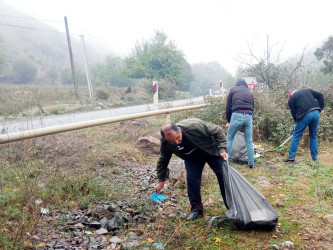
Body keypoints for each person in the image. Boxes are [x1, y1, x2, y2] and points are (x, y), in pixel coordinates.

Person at [154, 118, 229, 221]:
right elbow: (163, 159)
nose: (176, 142)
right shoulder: (165, 142)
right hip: (192, 157)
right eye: (172, 141)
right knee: (192, 181)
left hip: (211, 150)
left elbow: (219, 131)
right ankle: (196, 210)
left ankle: (231, 205)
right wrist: (161, 180)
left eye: (178, 138)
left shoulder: (194, 126)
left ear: (179, 130)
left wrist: (221, 149)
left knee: (224, 176)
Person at [284, 89, 324, 162]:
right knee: (313, 136)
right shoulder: (307, 90)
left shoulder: (291, 99)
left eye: (287, 96)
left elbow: (294, 114)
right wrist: (322, 108)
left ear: (290, 92)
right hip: (316, 112)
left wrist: (299, 124)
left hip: (304, 115)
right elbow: (320, 95)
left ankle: (291, 157)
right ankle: (315, 159)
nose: (288, 97)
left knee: (296, 135)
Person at [225, 79, 255, 168]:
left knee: (229, 137)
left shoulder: (233, 90)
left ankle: (227, 161)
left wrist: (228, 121)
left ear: (237, 84)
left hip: (237, 114)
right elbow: (253, 107)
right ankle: (251, 163)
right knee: (249, 141)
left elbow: (228, 107)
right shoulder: (249, 92)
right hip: (249, 116)